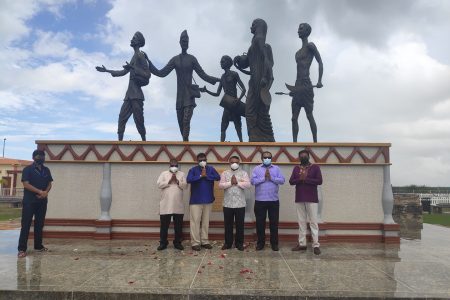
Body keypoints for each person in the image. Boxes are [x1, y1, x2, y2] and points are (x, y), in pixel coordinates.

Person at [147, 30, 220, 141]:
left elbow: (203, 75)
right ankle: (185, 144)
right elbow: (161, 73)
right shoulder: (175, 59)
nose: (185, 43)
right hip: (179, 97)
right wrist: (149, 62)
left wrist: (218, 80)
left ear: (188, 43)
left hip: (189, 96)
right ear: (180, 42)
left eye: (186, 41)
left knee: (186, 121)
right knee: (181, 124)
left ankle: (185, 145)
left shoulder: (192, 59)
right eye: (183, 41)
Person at [96, 31, 150, 141]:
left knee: (138, 120)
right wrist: (107, 70)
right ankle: (119, 143)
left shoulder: (140, 56)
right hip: (129, 95)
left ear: (138, 42)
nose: (131, 39)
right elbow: (123, 72)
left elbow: (147, 74)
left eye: (134, 38)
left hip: (137, 96)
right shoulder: (134, 56)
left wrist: (134, 68)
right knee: (121, 118)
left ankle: (144, 142)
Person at [234, 19, 275, 142]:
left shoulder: (259, 39)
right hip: (254, 80)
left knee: (251, 110)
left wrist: (264, 77)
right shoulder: (254, 43)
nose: (250, 27)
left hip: (258, 81)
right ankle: (260, 136)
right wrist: (239, 61)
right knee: (257, 110)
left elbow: (267, 61)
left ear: (258, 26)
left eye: (253, 25)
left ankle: (257, 136)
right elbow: (248, 63)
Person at [200, 55, 246, 142]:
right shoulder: (222, 77)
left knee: (238, 127)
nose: (221, 63)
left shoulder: (234, 74)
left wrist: (238, 99)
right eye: (221, 61)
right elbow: (217, 94)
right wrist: (206, 91)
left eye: (223, 61)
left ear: (228, 63)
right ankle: (221, 145)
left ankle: (241, 143)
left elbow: (244, 89)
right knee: (223, 127)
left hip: (234, 104)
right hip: (227, 105)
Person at [290, 23, 323, 143]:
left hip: (306, 84)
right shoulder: (297, 53)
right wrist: (293, 90)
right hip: (298, 85)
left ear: (307, 31)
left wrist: (319, 80)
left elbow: (320, 62)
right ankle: (294, 143)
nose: (298, 30)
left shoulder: (310, 46)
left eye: (301, 28)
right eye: (298, 28)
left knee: (309, 116)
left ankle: (315, 142)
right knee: (294, 118)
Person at [17, 150, 53, 258]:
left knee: (39, 224)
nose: (41, 157)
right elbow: (26, 184)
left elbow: (49, 183)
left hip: (42, 201)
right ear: (33, 157)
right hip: (29, 202)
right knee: (26, 224)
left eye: (43, 156)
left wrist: (46, 192)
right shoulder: (27, 169)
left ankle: (38, 246)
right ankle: (22, 249)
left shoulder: (46, 170)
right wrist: (39, 192)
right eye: (38, 156)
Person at [289, 150, 322, 255]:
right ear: (299, 157)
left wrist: (306, 179)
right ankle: (302, 244)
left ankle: (316, 245)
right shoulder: (296, 168)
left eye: (305, 155)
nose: (303, 157)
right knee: (301, 222)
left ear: (309, 156)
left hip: (312, 198)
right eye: (301, 156)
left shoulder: (315, 167)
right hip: (299, 198)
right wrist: (300, 179)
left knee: (313, 222)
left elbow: (319, 181)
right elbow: (291, 181)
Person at [251, 151, 285, 251]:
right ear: (261, 158)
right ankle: (260, 243)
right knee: (260, 223)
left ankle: (274, 243)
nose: (267, 159)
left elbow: (282, 180)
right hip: (260, 200)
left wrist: (271, 177)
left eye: (269, 157)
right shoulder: (256, 169)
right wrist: (263, 178)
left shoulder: (276, 168)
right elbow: (252, 181)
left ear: (271, 158)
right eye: (265, 157)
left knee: (274, 223)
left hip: (273, 200)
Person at [186, 153, 220, 251]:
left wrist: (207, 176)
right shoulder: (192, 170)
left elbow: (218, 177)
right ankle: (195, 242)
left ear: (206, 159)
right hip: (195, 200)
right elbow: (188, 180)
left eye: (204, 159)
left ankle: (205, 241)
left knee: (206, 222)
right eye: (200, 160)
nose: (202, 161)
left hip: (208, 199)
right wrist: (201, 176)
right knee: (195, 222)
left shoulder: (211, 169)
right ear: (197, 161)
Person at [218, 156, 251, 251]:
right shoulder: (225, 173)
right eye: (232, 162)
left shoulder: (243, 173)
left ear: (239, 163)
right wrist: (230, 183)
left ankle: (239, 244)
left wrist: (237, 183)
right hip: (227, 204)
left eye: (236, 162)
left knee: (240, 225)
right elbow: (220, 186)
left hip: (240, 204)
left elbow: (248, 184)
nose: (234, 164)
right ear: (229, 162)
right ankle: (228, 243)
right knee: (228, 225)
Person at [156, 159, 188, 251]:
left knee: (178, 226)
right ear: (169, 165)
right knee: (164, 226)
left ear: (178, 166)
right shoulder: (163, 174)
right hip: (165, 204)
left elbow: (185, 186)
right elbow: (158, 184)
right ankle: (163, 243)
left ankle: (177, 243)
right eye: (172, 165)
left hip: (178, 204)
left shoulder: (182, 174)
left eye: (176, 165)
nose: (174, 167)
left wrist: (177, 182)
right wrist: (169, 181)